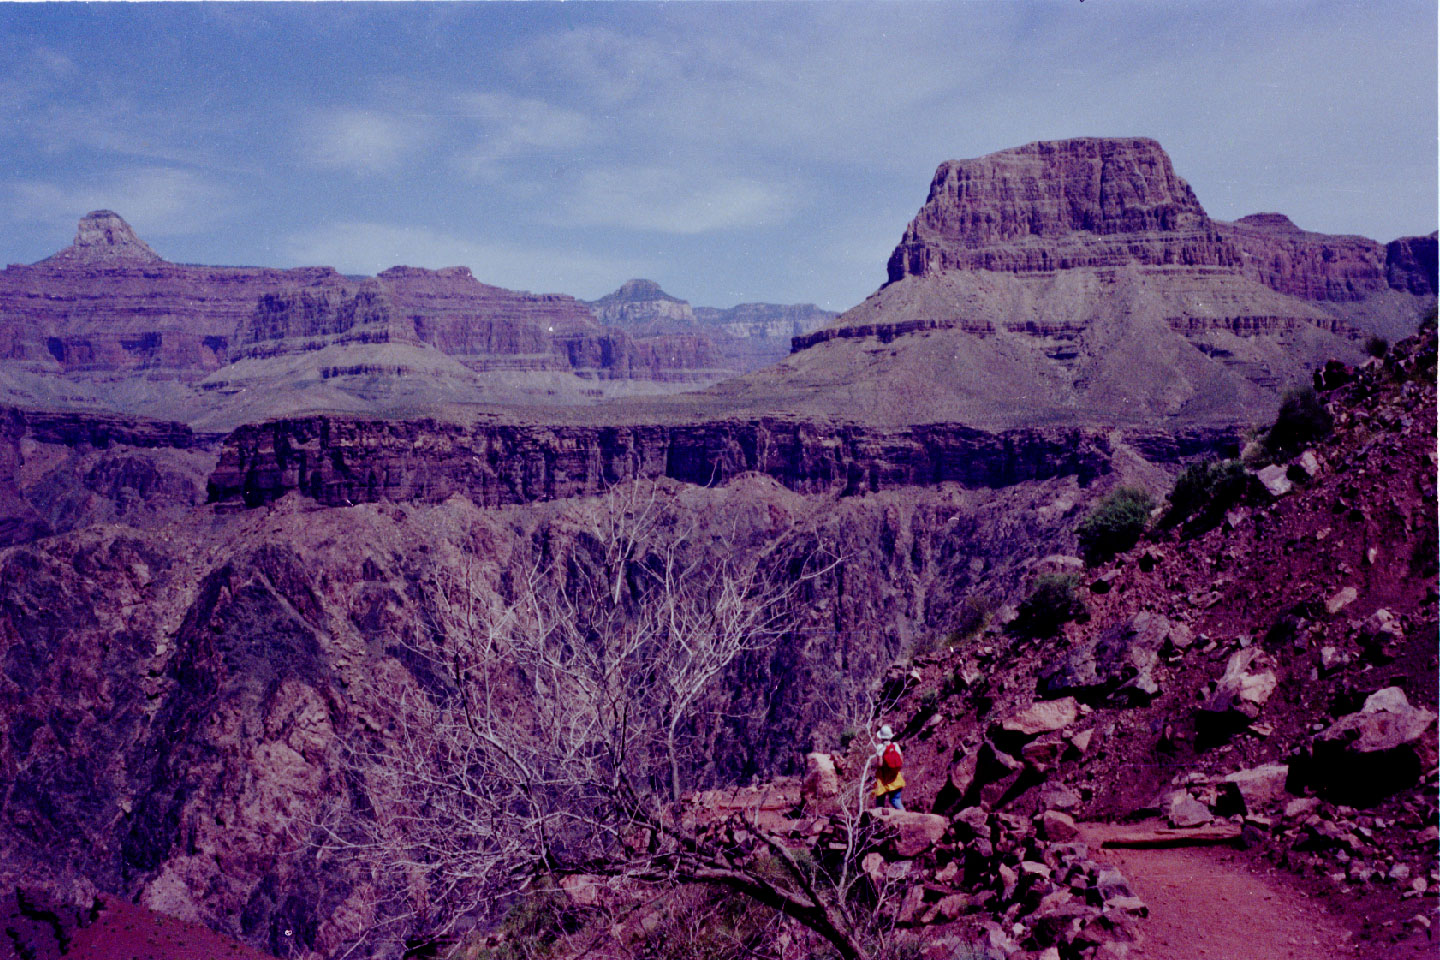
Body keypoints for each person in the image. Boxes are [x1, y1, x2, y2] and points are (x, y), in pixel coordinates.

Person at [873, 723, 905, 810]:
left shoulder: (880, 747)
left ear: (881, 737)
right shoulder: (895, 746)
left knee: (880, 800)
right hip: (895, 777)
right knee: (895, 800)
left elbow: (880, 764)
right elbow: (901, 760)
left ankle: (878, 820)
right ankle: (905, 816)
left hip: (883, 778)